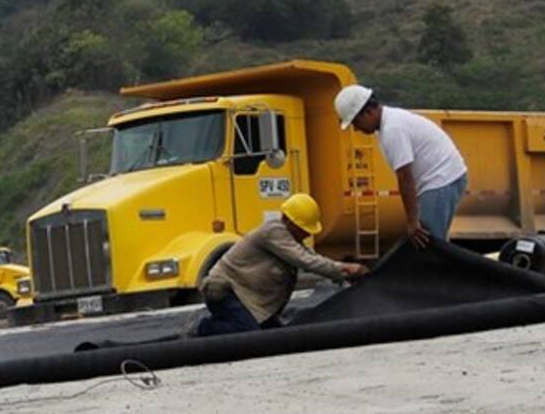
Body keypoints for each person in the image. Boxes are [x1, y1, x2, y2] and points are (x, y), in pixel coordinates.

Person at [197, 193, 366, 337]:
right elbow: (304, 260)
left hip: (249, 302)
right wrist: (344, 268)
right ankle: (204, 329)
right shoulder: (274, 232)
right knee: (249, 335)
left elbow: (310, 256)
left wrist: (341, 272)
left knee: (276, 338)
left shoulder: (290, 237)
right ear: (288, 220)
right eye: (303, 228)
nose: (306, 233)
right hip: (226, 293)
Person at [334, 84, 468, 247]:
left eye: (356, 122)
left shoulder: (392, 129)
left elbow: (405, 176)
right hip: (441, 179)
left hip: (441, 180)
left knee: (428, 243)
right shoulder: (387, 124)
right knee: (430, 243)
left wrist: (412, 220)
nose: (356, 129)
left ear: (368, 112)